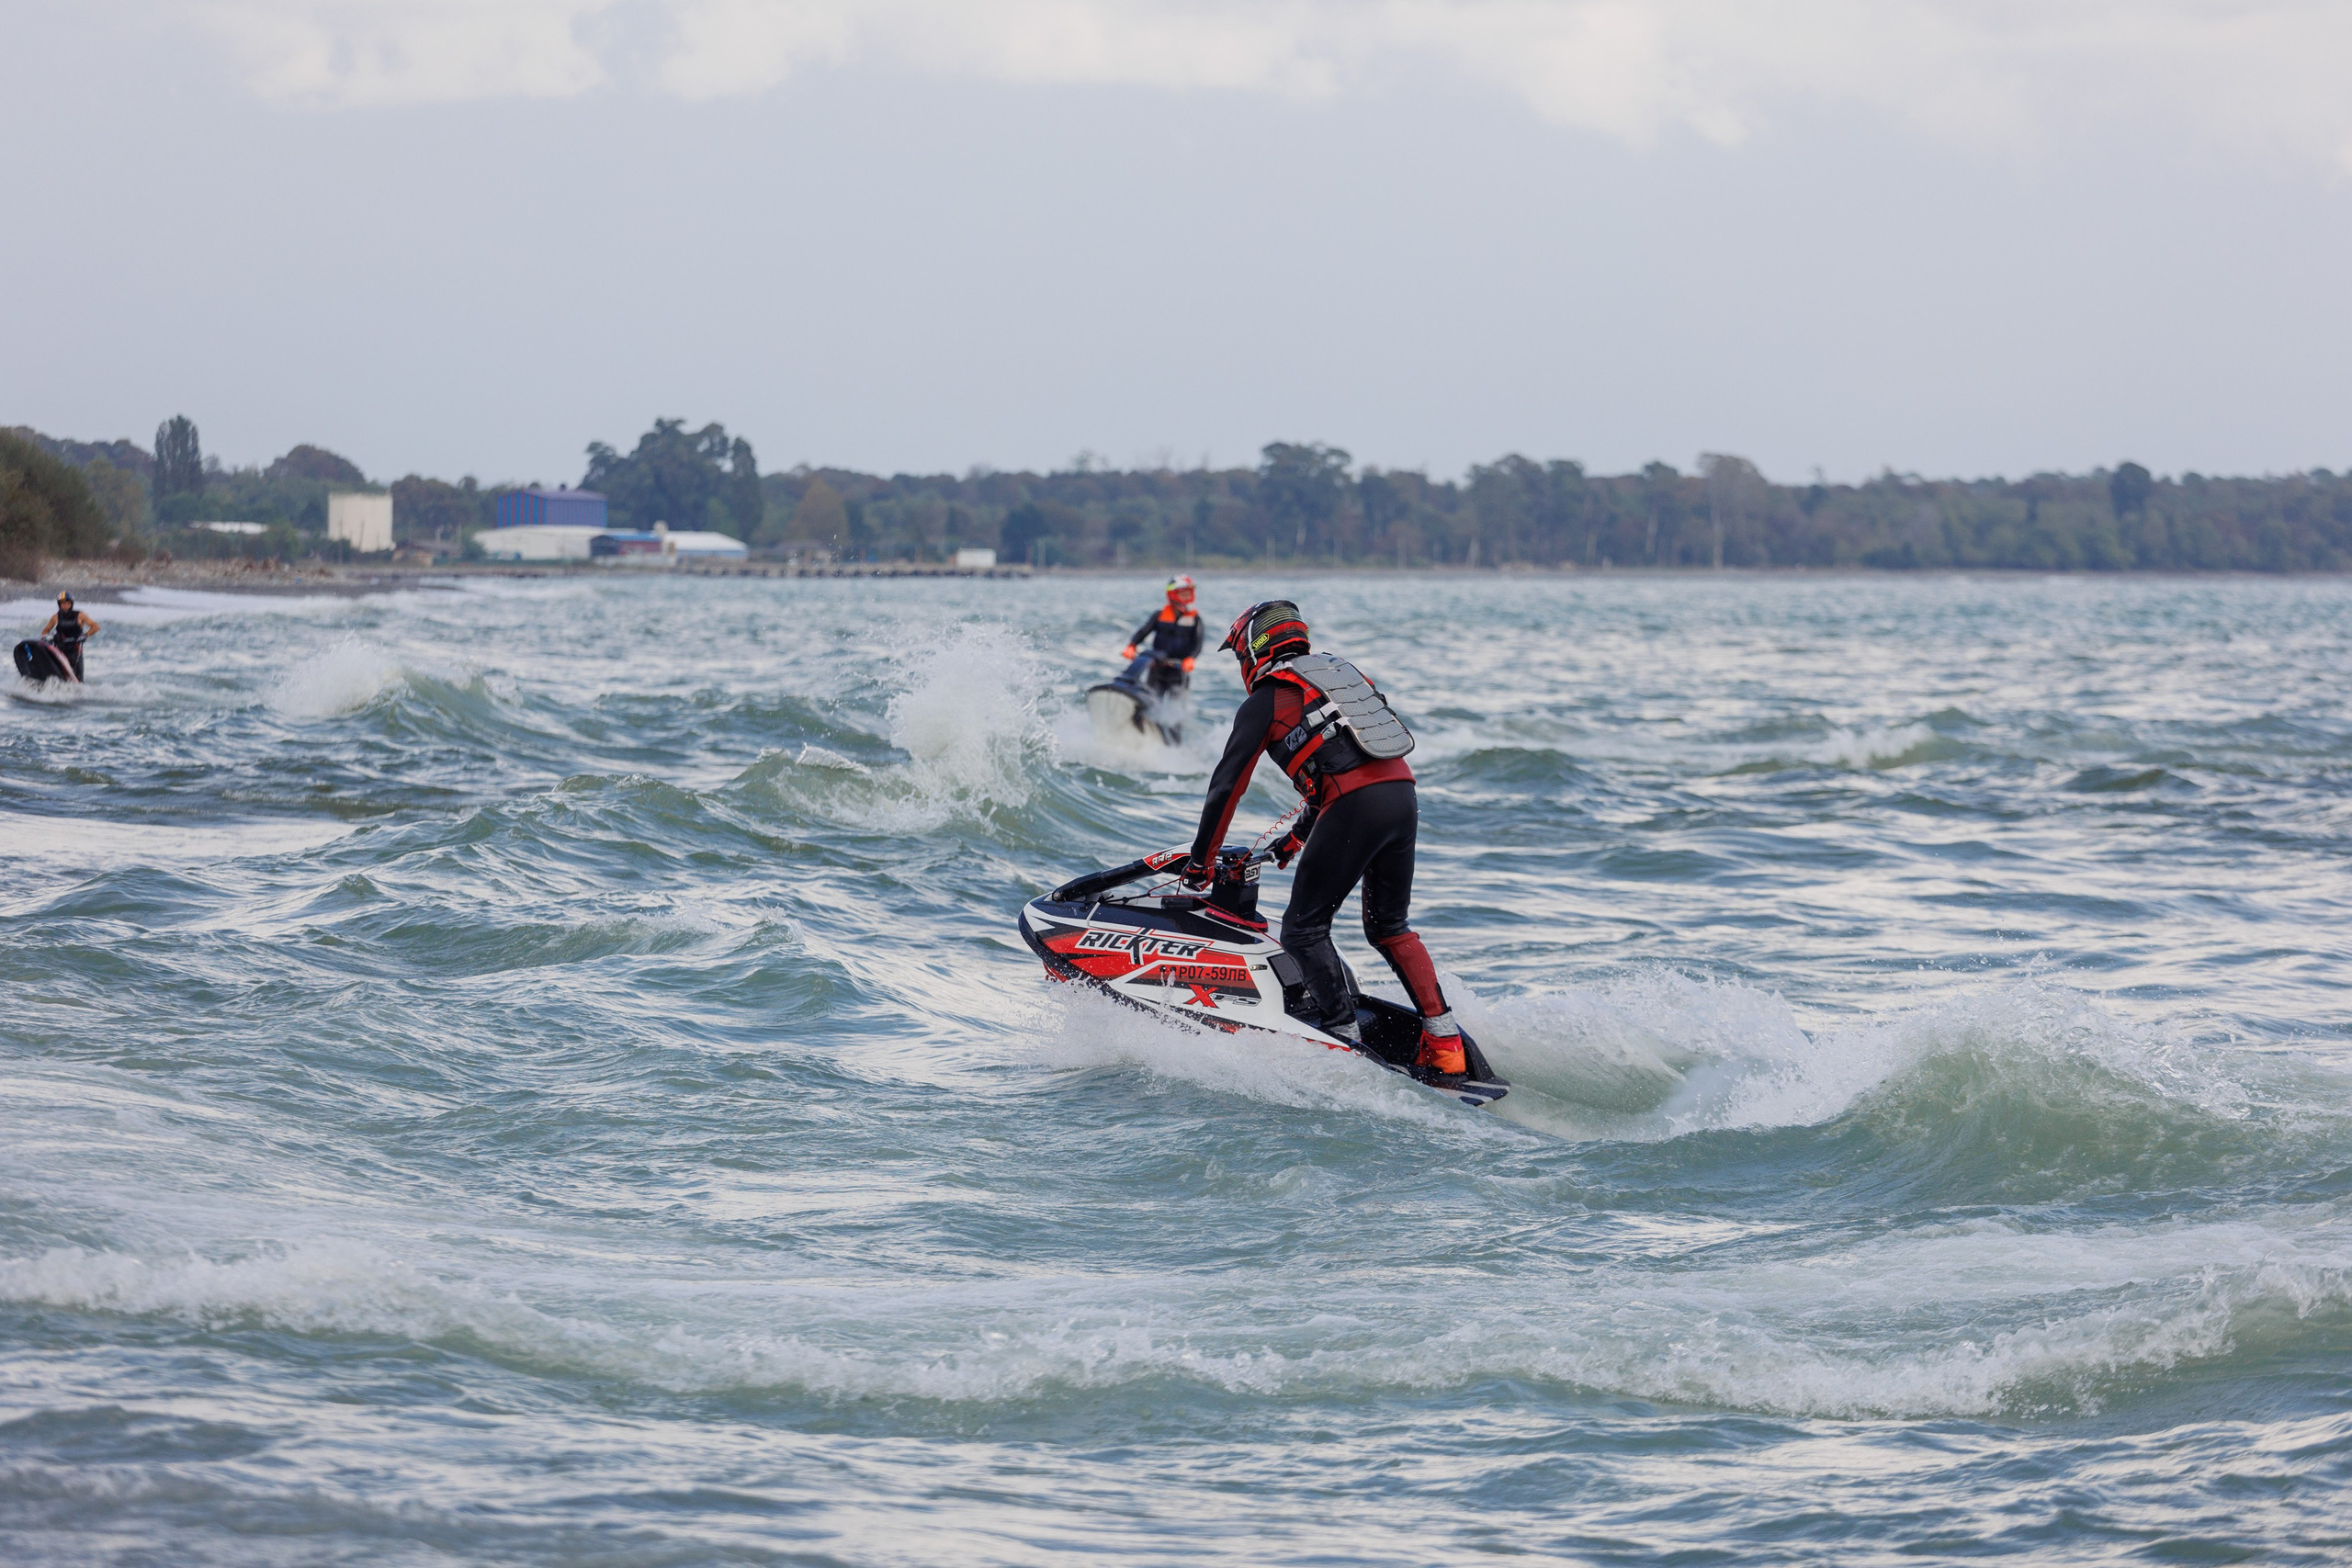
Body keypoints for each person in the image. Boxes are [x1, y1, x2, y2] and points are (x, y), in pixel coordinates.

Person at [1182, 599, 1467, 1081]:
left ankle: (1344, 1046)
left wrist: (1199, 865)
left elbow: (1226, 787)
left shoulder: (1265, 700)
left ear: (1254, 650)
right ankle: (1446, 1046)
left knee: (1303, 929)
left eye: (1238, 657)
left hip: (1357, 805)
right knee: (1389, 926)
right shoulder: (1339, 678)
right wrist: (1296, 838)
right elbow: (1339, 764)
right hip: (1402, 797)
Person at [1115, 575, 1202, 697]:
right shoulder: (1159, 615)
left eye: (1189, 594)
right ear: (1172, 595)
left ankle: (1175, 716)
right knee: (1152, 697)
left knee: (1177, 700)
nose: (1186, 598)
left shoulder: (1195, 619)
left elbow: (1198, 642)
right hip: (1157, 668)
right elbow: (1143, 631)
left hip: (1178, 670)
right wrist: (1132, 645)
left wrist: (1192, 658)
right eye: (1183, 594)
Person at [40, 592, 98, 681]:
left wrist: (85, 635)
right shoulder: (55, 617)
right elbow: (46, 630)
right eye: (63, 603)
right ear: (59, 605)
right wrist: (47, 637)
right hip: (59, 649)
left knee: (78, 677)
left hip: (75, 651)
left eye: (68, 603)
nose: (65, 605)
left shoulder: (80, 615)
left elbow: (95, 627)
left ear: (71, 604)